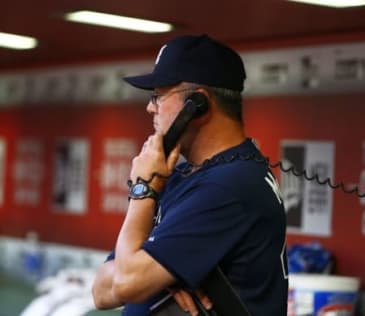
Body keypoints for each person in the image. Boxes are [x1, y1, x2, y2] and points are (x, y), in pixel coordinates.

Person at [91, 34, 288, 316]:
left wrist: (142, 189)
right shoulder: (181, 175)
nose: (150, 107)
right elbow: (101, 290)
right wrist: (164, 280)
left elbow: (125, 283)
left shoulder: (230, 186)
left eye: (158, 96)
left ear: (197, 104)